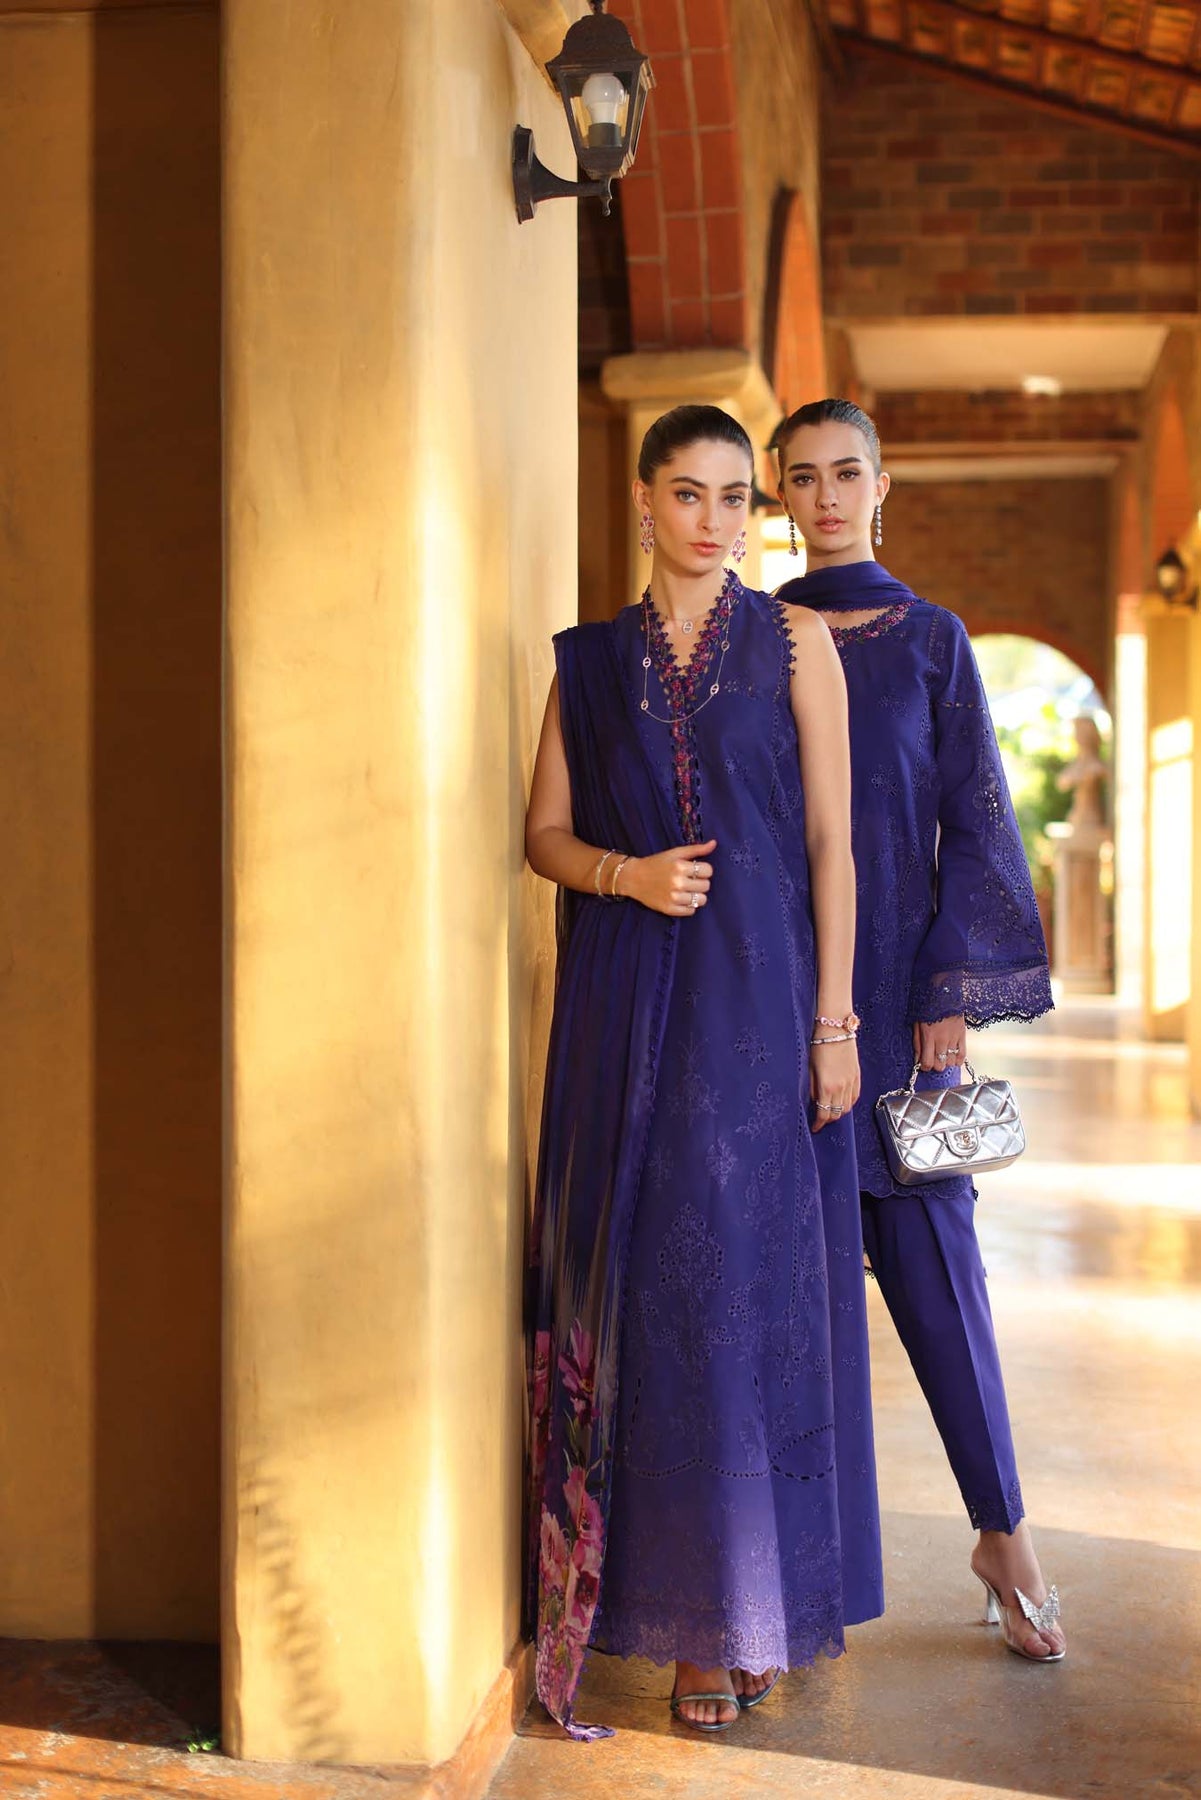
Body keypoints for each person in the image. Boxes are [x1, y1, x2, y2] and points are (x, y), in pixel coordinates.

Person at [523, 404, 884, 1739]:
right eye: (690, 494)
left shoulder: (795, 642)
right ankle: (681, 1623)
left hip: (759, 1007)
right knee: (652, 1306)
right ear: (643, 500)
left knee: (744, 1297)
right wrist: (625, 876)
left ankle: (750, 1612)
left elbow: (834, 844)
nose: (716, 521)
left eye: (738, 498)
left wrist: (835, 1024)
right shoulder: (587, 662)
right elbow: (544, 834)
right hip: (623, 1013)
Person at [774, 397, 1067, 1663]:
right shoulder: (754, 638)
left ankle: (1003, 1532)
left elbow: (976, 813)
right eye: (802, 478)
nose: (826, 497)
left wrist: (948, 986)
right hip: (771, 1005)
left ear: (880, 486)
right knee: (783, 1303)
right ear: (781, 497)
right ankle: (779, 1580)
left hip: (899, 1012)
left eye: (846, 473)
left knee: (941, 1281)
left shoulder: (933, 640)